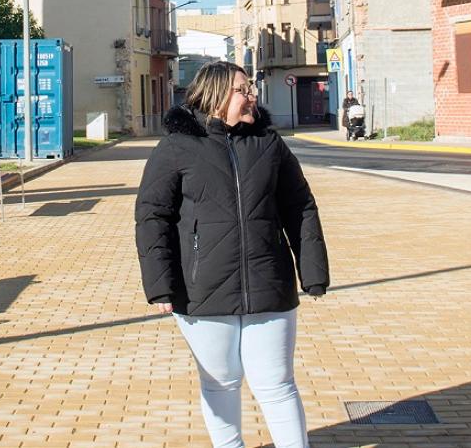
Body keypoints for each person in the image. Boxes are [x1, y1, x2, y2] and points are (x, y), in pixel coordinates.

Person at [136, 61, 330, 448]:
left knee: (276, 383)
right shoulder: (177, 146)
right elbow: (151, 215)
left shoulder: (269, 143)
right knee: (220, 382)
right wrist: (160, 287)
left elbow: (300, 206)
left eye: (251, 88)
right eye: (244, 89)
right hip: (201, 290)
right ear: (216, 95)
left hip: (269, 284)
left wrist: (312, 272)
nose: (252, 95)